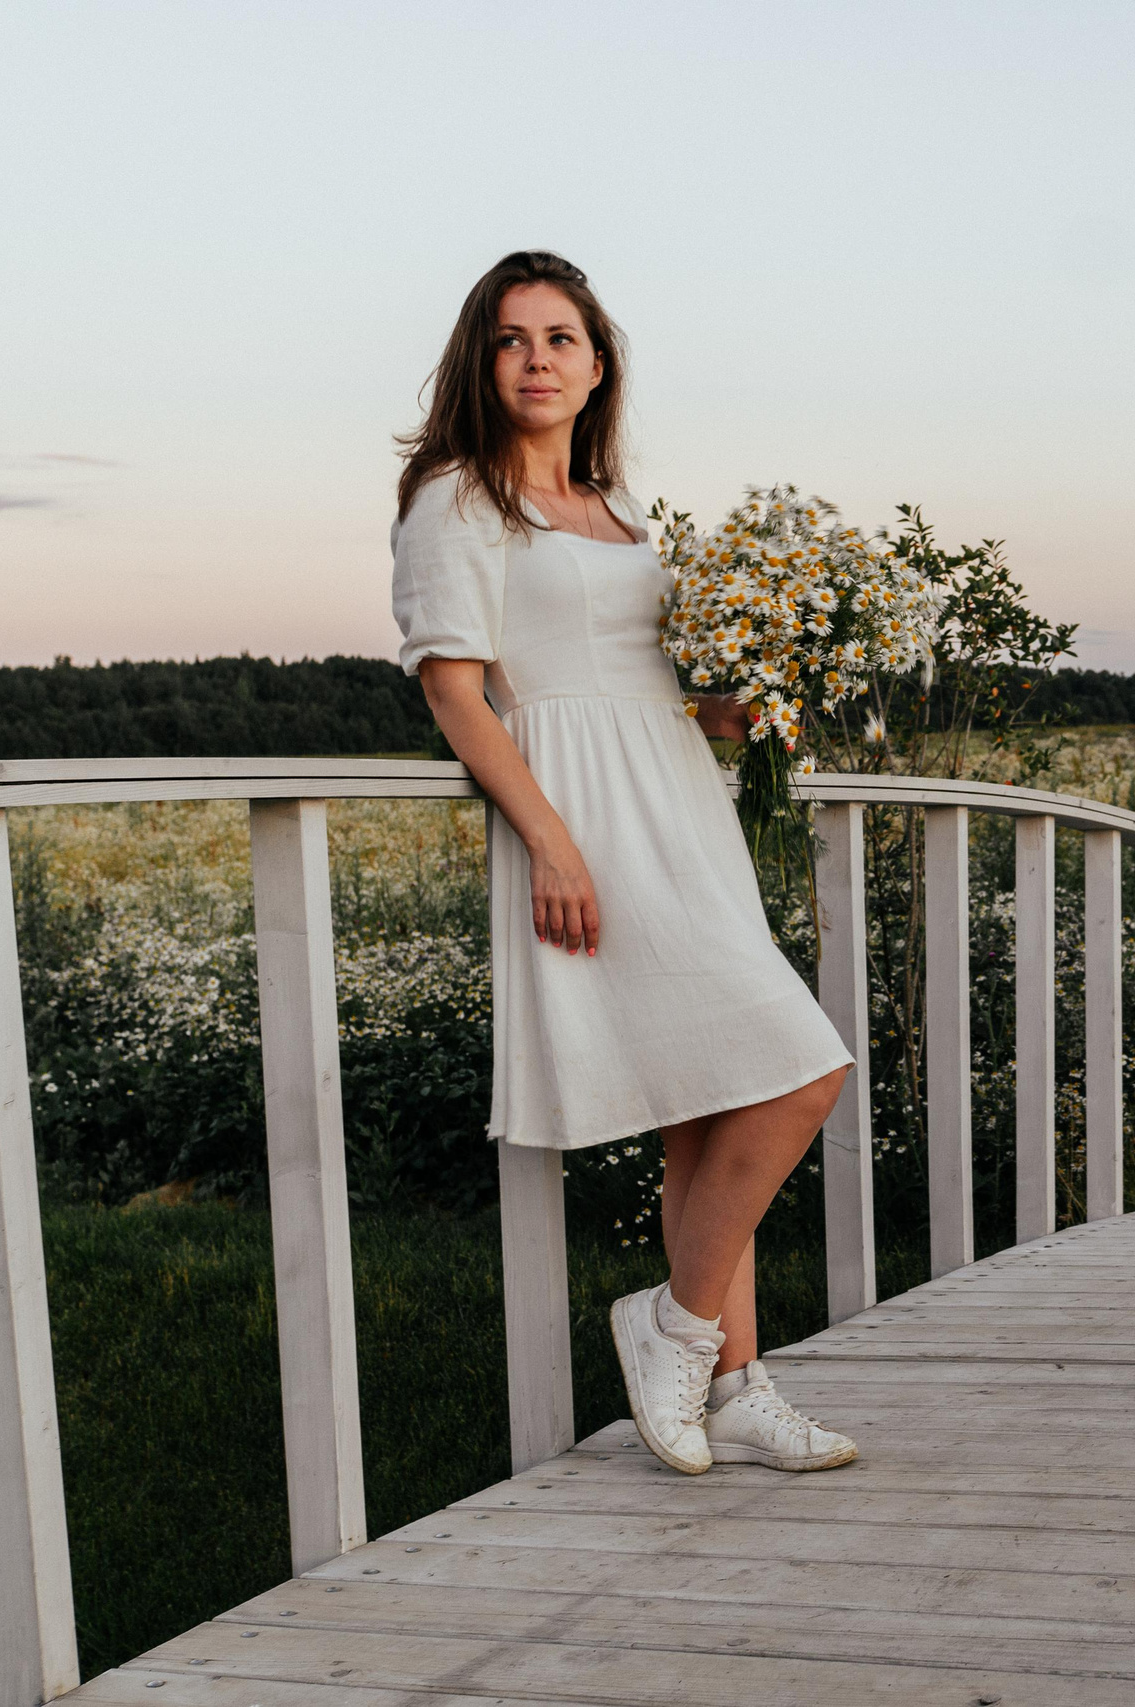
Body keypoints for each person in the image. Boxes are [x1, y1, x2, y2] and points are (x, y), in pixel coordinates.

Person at [391, 250, 857, 1474]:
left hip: (677, 798)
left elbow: (630, 669)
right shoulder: (458, 498)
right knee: (801, 1069)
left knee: (719, 1089)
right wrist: (550, 840)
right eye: (511, 339)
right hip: (585, 811)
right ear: (480, 361)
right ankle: (676, 1329)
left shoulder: (621, 507)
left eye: (560, 338)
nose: (536, 360)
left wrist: (722, 711)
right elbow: (456, 690)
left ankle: (735, 1384)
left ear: (598, 365)